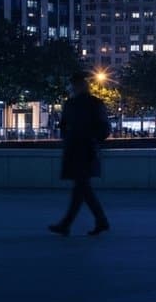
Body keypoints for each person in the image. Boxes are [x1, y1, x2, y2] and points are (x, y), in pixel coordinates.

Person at [48, 71, 112, 237]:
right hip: (87, 150)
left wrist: (69, 139)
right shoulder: (95, 103)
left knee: (82, 187)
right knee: (82, 187)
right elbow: (104, 129)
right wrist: (94, 141)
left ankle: (71, 223)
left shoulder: (71, 104)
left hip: (76, 149)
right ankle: (99, 221)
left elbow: (63, 127)